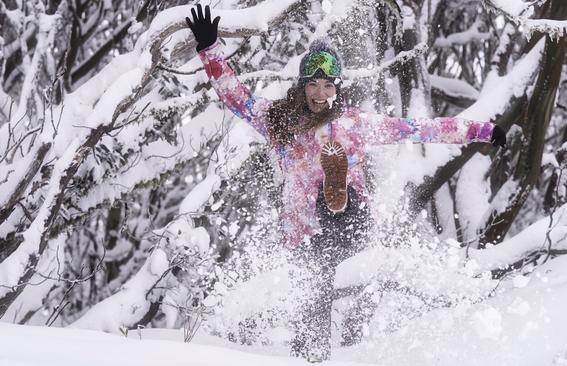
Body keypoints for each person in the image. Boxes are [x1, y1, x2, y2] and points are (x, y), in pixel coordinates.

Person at [186, 5, 506, 362]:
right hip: (302, 234)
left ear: (337, 87)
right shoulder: (278, 121)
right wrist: (209, 48)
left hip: (349, 223)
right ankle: (315, 356)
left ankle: (335, 194)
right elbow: (236, 98)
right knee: (313, 310)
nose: (320, 94)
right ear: (302, 85)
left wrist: (482, 129)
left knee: (333, 229)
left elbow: (420, 129)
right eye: (313, 84)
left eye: (327, 85)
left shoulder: (354, 122)